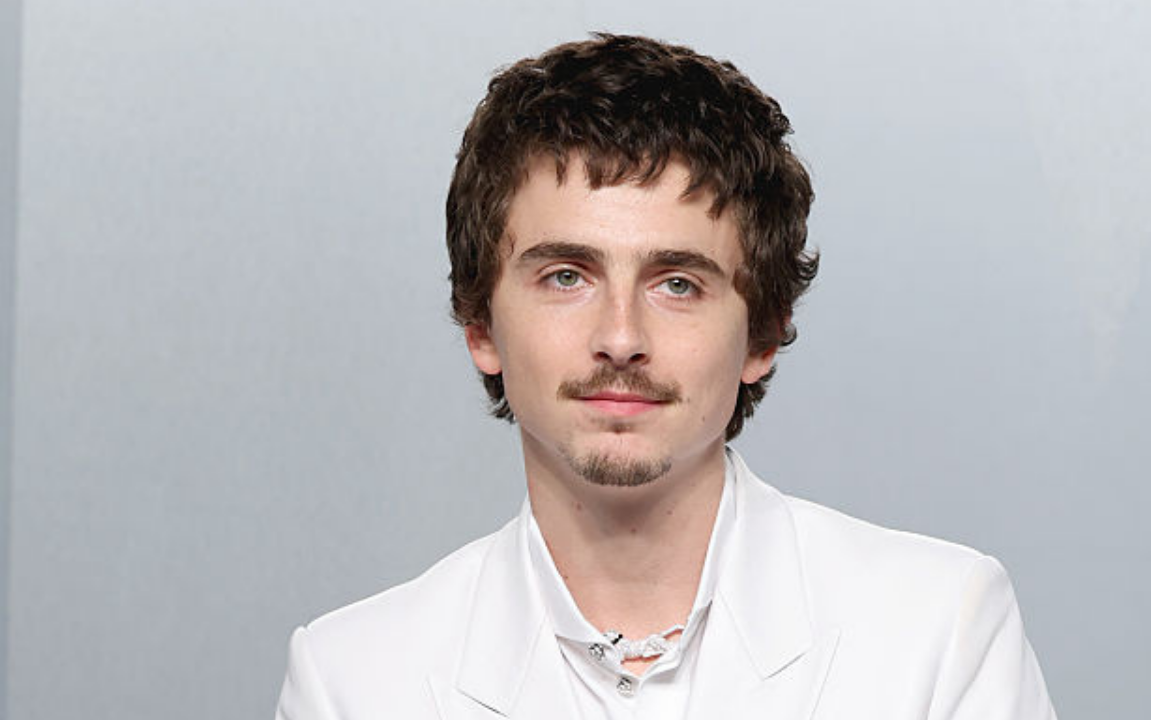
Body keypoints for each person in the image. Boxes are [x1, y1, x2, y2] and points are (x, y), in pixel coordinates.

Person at [274, 33, 1057, 720]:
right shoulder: (354, 681)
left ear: (763, 333)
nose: (620, 339)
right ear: (480, 324)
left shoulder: (939, 631)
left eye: (677, 283)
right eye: (566, 276)